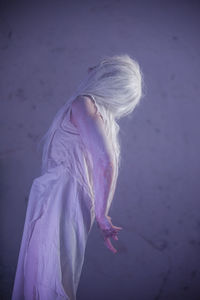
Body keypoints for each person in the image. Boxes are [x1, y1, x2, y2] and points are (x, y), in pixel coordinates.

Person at [11, 54, 144, 300]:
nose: (90, 67)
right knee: (48, 275)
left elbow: (105, 162)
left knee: (47, 277)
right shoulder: (101, 117)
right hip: (65, 201)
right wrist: (101, 212)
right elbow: (104, 164)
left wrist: (103, 215)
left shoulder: (84, 103)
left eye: (100, 66)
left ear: (107, 77)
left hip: (60, 200)